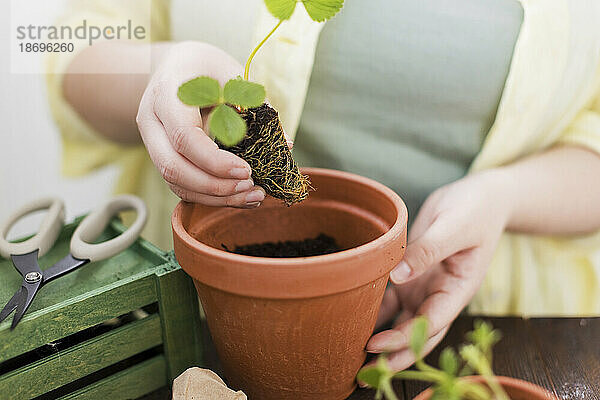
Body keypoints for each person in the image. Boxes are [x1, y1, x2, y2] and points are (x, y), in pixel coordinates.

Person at [47, 0, 600, 371]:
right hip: (200, 320)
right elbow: (67, 48)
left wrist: (503, 196)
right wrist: (165, 71)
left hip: (491, 329)